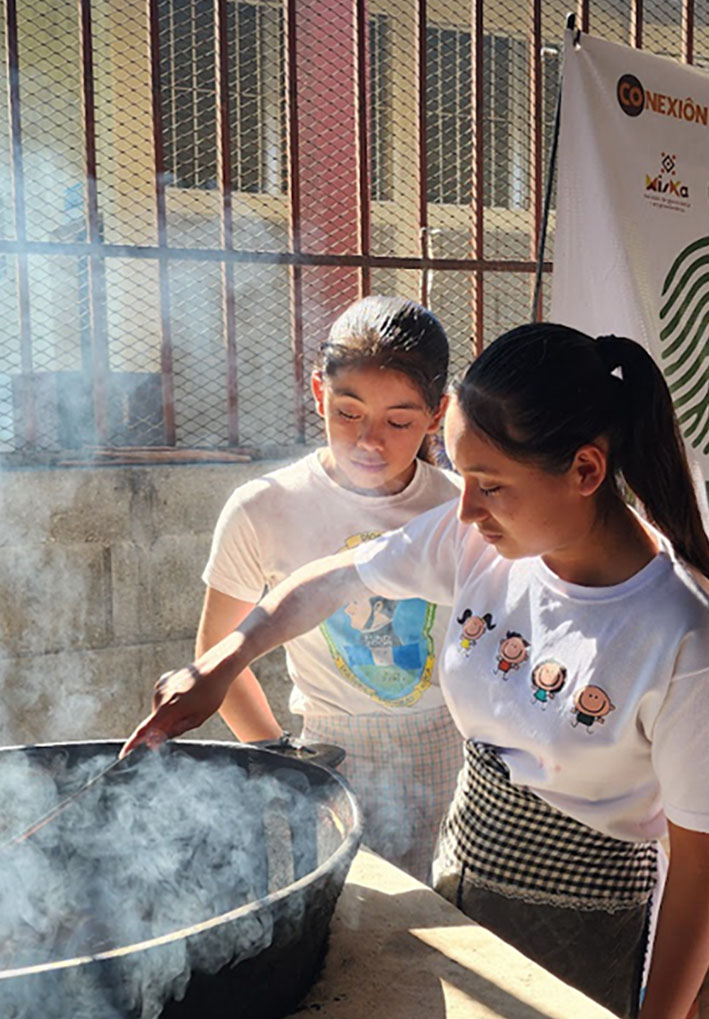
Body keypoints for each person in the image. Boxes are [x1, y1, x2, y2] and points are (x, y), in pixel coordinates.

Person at [123, 322, 709, 1019]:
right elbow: (333, 579)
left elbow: (700, 873)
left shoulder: (680, 637)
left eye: (490, 485)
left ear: (585, 471)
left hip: (580, 921)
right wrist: (223, 662)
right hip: (458, 877)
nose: (465, 508)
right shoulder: (478, 539)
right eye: (462, 475)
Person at [192, 294, 463, 883]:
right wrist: (284, 761)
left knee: (451, 915)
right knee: (349, 915)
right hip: (333, 756)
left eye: (398, 422)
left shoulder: (461, 508)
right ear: (319, 393)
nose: (370, 441)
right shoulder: (264, 508)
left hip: (452, 754)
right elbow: (217, 655)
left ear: (436, 414)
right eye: (348, 412)